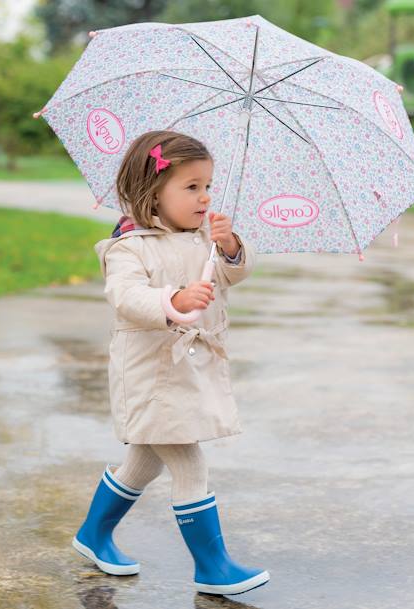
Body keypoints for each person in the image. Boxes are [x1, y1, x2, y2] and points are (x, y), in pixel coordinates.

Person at [71, 130, 270, 596]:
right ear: (152, 191)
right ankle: (212, 566)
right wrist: (173, 298)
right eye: (191, 187)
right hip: (149, 374)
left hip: (186, 369)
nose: (204, 198)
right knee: (186, 461)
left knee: (143, 461)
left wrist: (231, 247)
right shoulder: (129, 247)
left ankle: (92, 534)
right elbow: (126, 298)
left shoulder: (204, 237)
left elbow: (231, 275)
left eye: (207, 186)